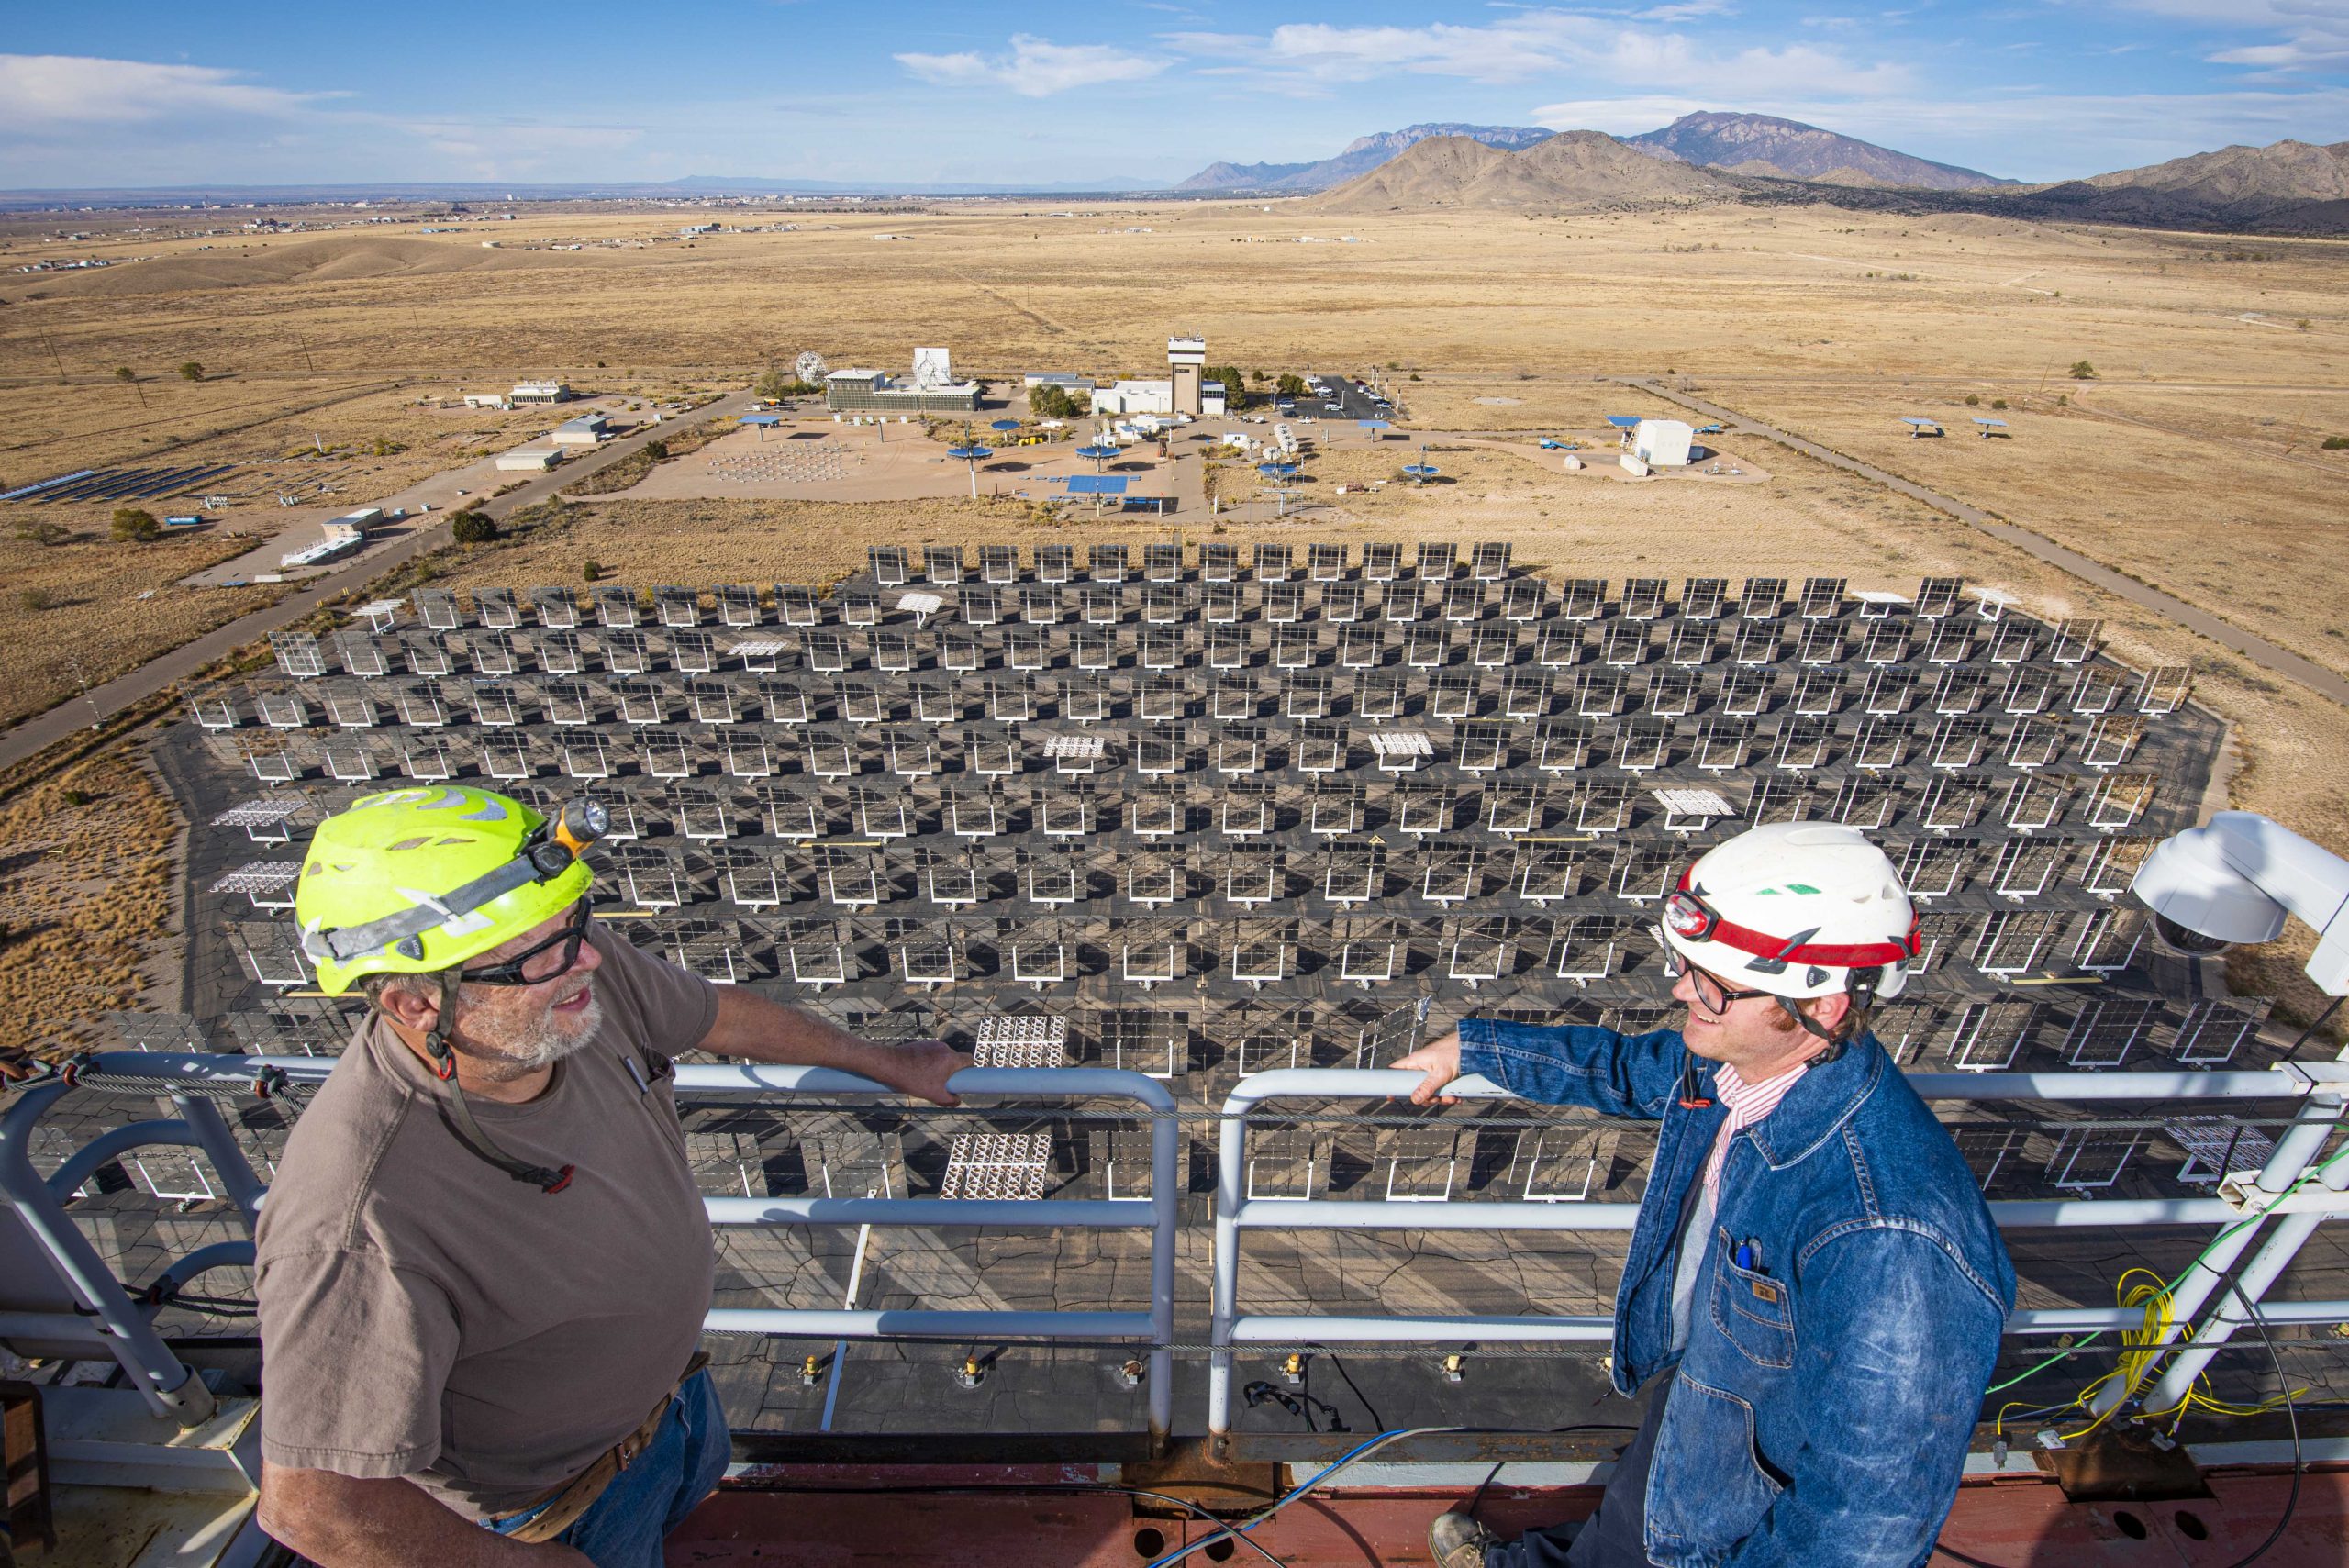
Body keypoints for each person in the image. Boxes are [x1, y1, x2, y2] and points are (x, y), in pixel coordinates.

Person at [251, 785, 967, 1567]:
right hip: (558, 1514)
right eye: (539, 951)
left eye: (577, 922)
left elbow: (714, 1013)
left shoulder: (570, 984)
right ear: (416, 1001)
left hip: (677, 1409)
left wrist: (883, 1060)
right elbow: (312, 1507)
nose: (587, 956)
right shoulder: (355, 1220)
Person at [1403, 822, 2014, 1568]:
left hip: (1741, 1496)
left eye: (1714, 982)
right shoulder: (1751, 1069)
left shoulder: (1891, 1236)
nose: (1681, 988)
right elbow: (1631, 1068)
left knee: (1653, 1538)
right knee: (1633, 1523)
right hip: (1709, 1399)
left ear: (1821, 1003)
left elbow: (1864, 1527)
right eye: (1687, 963)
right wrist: (1477, 1049)